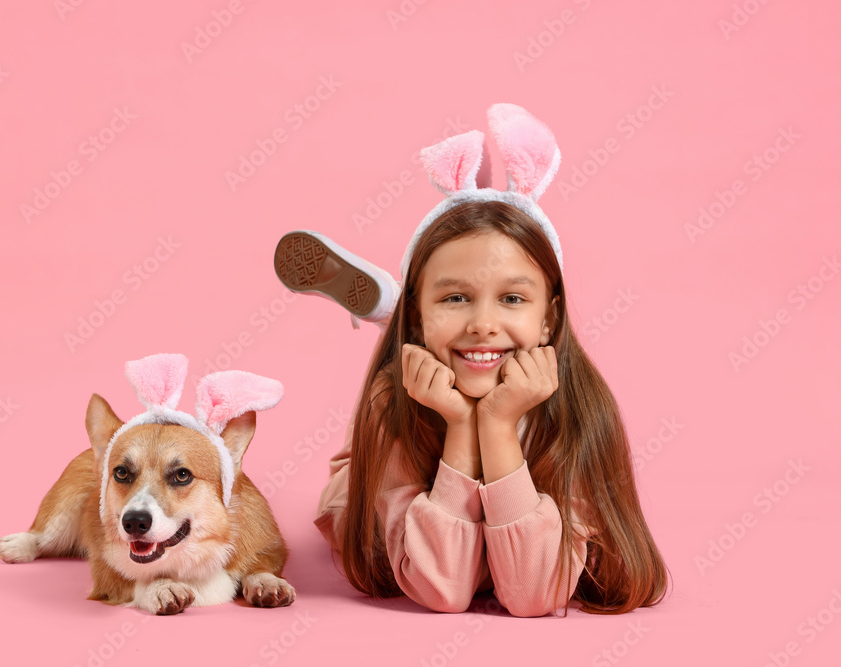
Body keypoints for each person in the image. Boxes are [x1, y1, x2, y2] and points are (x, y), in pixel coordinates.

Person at [273, 104, 669, 616]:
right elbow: (444, 588)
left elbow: (532, 595)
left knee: (461, 348)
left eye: (512, 299)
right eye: (456, 297)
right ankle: (398, 316)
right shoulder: (392, 402)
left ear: (549, 319)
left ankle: (393, 308)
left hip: (490, 520)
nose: (484, 323)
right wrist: (460, 425)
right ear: (420, 318)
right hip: (393, 509)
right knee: (366, 502)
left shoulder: (578, 411)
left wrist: (500, 427)